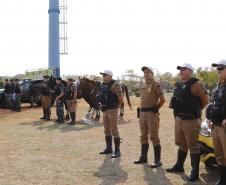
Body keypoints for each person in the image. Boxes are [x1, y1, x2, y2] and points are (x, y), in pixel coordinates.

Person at [166, 63, 209, 182]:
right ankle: (179, 166)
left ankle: (194, 172)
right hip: (179, 119)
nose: (181, 72)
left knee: (193, 146)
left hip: (191, 120)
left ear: (190, 71)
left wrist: (196, 110)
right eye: (180, 70)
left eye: (183, 70)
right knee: (181, 144)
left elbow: (205, 100)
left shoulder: (196, 84)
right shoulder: (179, 85)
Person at [134, 66, 165, 168]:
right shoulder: (142, 85)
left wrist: (156, 108)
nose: (146, 74)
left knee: (154, 136)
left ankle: (157, 160)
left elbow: (162, 99)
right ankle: (143, 157)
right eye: (144, 72)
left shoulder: (156, 84)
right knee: (143, 135)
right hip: (142, 113)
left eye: (148, 72)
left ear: (152, 74)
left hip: (152, 113)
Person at [206, 60, 226, 185]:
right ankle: (223, 180)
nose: (218, 70)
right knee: (219, 155)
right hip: (215, 126)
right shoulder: (217, 86)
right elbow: (211, 105)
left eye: (221, 68)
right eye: (217, 68)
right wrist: (208, 118)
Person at [98, 70, 124, 158]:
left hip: (112, 110)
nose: (103, 76)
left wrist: (117, 107)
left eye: (105, 75)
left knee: (114, 130)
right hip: (105, 110)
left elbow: (120, 98)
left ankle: (117, 151)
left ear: (110, 76)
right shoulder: (103, 84)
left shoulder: (115, 85)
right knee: (106, 130)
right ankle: (109, 148)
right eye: (103, 75)